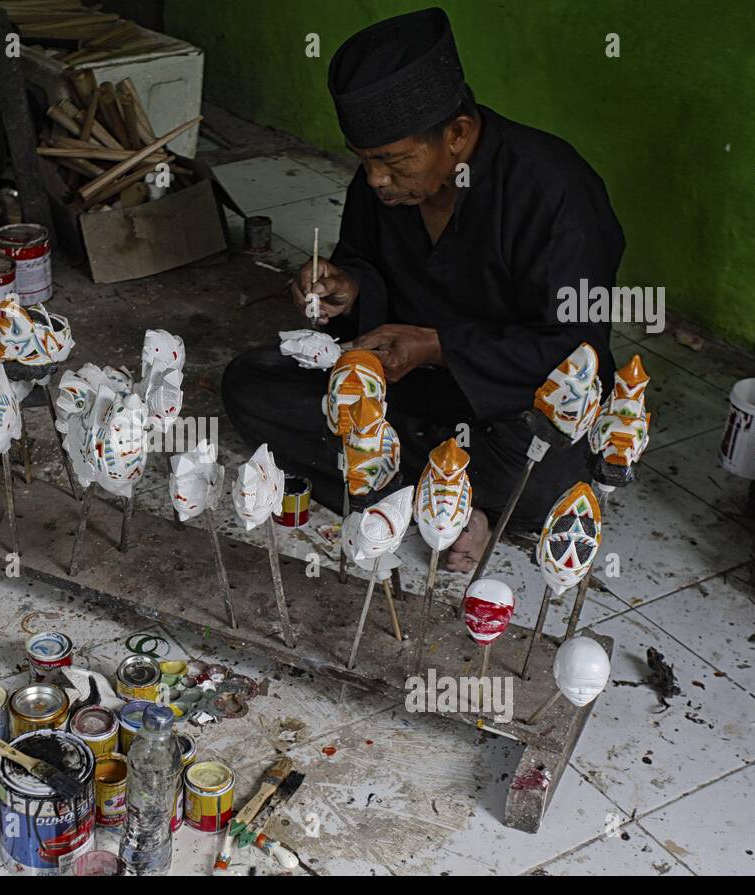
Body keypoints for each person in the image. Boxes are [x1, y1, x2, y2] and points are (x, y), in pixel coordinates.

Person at [222, 6, 623, 571]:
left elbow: (577, 352)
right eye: (365, 162)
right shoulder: (382, 186)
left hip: (502, 403)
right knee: (250, 384)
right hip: (406, 387)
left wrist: (439, 346)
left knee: (546, 481)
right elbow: (364, 261)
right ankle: (452, 500)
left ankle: (410, 485)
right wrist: (348, 287)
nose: (376, 180)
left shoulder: (556, 193)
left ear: (456, 135)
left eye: (392, 162)